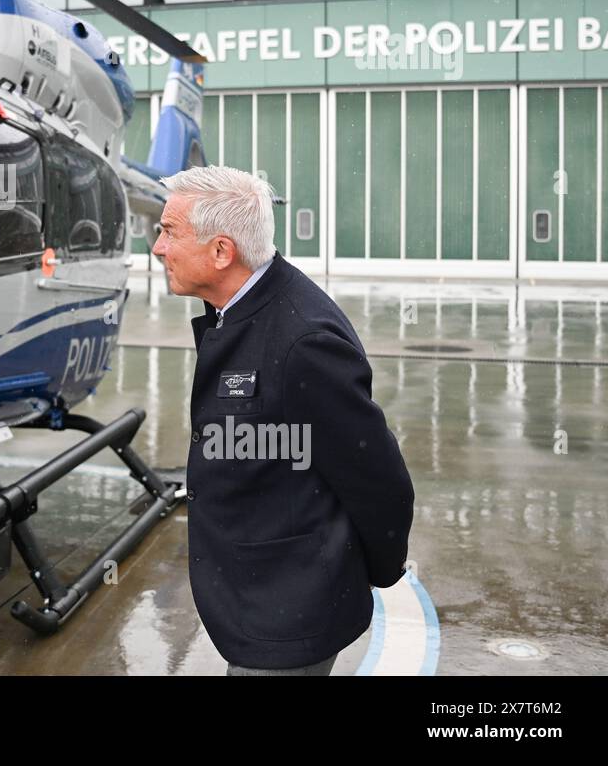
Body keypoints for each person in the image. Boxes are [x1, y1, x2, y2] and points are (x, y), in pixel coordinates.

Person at [151, 165, 415, 676]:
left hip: (290, 611)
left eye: (169, 232)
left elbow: (378, 478)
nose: (158, 248)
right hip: (259, 602)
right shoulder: (239, 310)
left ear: (222, 251)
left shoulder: (303, 341)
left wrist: (374, 570)